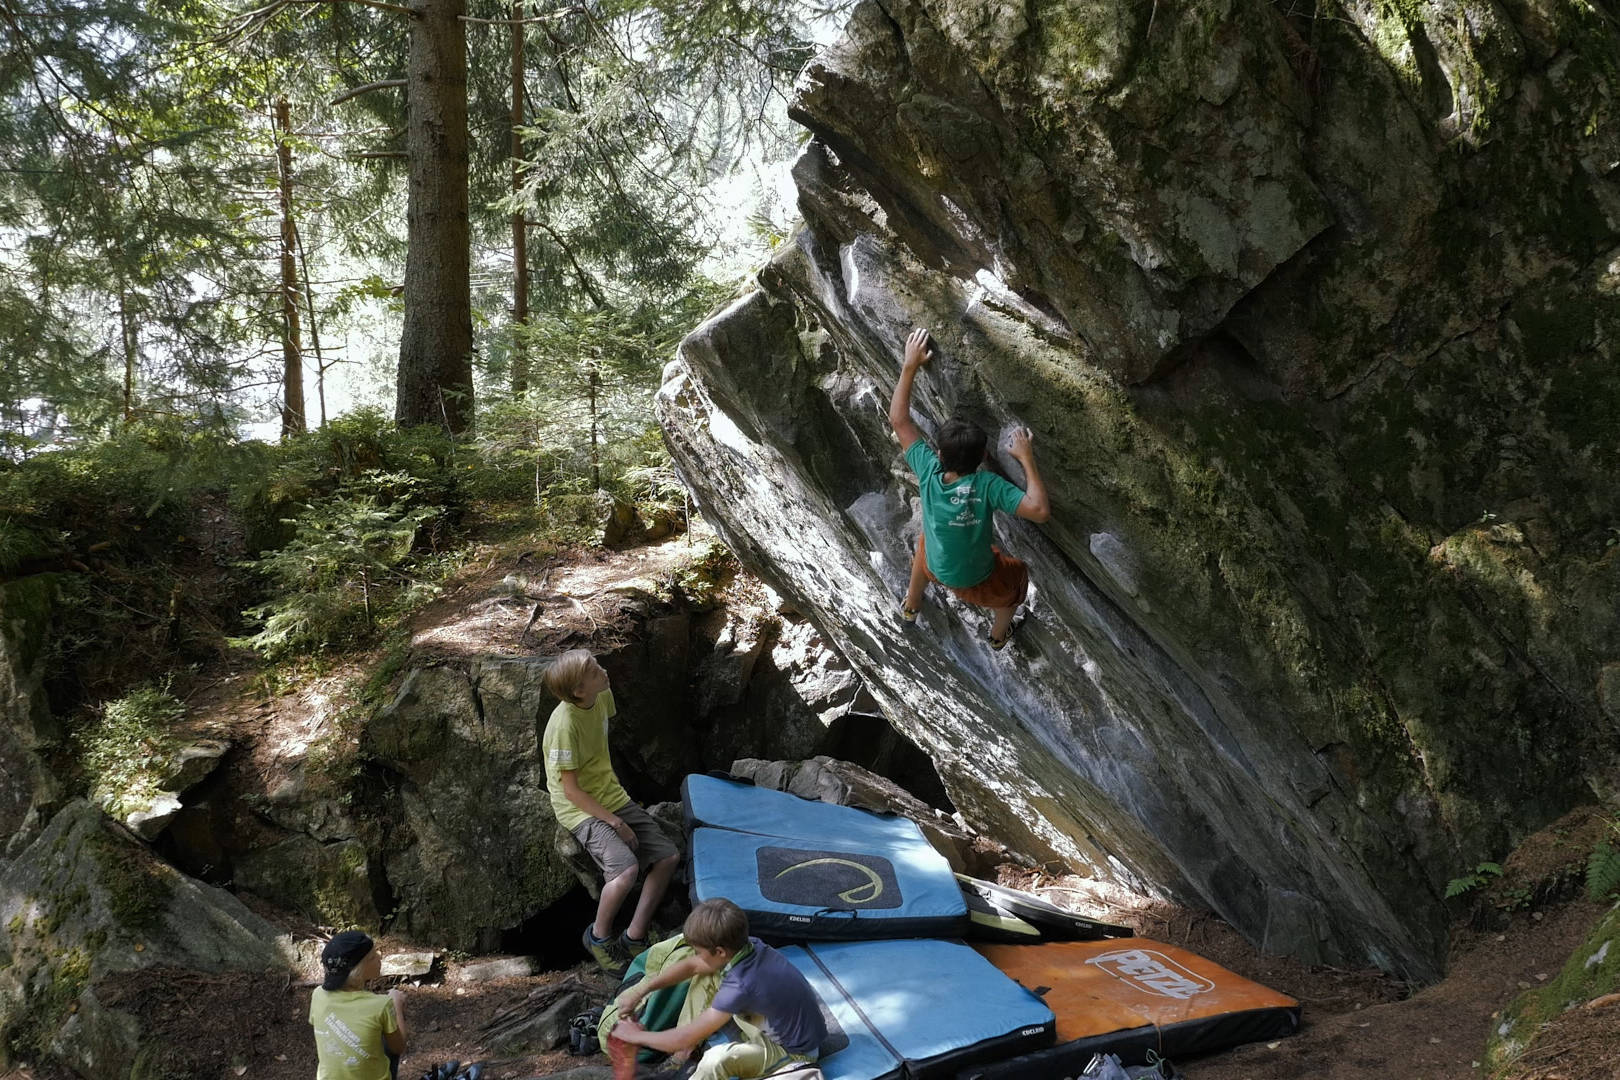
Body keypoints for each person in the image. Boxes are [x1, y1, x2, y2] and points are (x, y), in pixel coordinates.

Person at [889, 326, 1050, 649]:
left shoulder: (929, 470)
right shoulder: (987, 485)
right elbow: (1040, 511)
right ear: (983, 459)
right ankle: (997, 636)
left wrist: (910, 366)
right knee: (1015, 581)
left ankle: (911, 604)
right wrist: (1026, 458)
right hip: (974, 580)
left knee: (925, 542)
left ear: (938, 454)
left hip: (937, 564)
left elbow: (899, 421)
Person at [543, 649, 680, 972]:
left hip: (609, 793)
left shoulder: (601, 697)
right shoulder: (564, 725)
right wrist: (616, 822)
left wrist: (617, 807)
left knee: (668, 856)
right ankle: (599, 937)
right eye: (594, 671)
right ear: (578, 690)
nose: (603, 670)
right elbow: (571, 790)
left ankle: (635, 935)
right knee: (625, 870)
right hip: (579, 808)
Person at [611, 898, 827, 1080]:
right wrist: (641, 991)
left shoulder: (741, 984)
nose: (695, 956)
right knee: (707, 973)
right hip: (774, 1022)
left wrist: (635, 1037)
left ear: (720, 951)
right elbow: (692, 966)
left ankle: (692, 1063)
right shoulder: (747, 946)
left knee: (715, 1061)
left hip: (793, 1053)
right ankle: (682, 1057)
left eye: (698, 950)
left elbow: (682, 1036)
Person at [309, 930, 407, 1080]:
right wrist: (397, 1005)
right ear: (358, 970)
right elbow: (399, 1047)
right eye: (373, 957)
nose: (379, 957)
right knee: (389, 1037)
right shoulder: (381, 1005)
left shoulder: (318, 995)